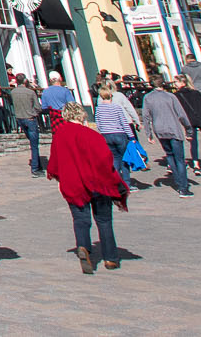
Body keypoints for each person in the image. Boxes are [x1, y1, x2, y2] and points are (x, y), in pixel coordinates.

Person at [48, 101, 129, 273]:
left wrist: (60, 178)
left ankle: (84, 247)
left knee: (81, 220)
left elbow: (54, 161)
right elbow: (105, 160)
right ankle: (110, 258)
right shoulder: (91, 135)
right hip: (97, 183)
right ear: (82, 115)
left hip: (73, 184)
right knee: (104, 221)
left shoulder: (60, 135)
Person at [139, 78, 193, 197]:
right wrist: (189, 129)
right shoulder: (170, 96)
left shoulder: (148, 98)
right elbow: (182, 114)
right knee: (179, 158)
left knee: (170, 155)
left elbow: (146, 116)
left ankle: (179, 182)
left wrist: (149, 133)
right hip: (173, 129)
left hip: (160, 130)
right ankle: (183, 187)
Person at [93, 84, 138, 185]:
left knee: (114, 159)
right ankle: (127, 183)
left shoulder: (99, 109)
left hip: (106, 135)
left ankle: (116, 182)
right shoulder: (116, 107)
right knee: (124, 159)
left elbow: (98, 124)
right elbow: (124, 122)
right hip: (119, 134)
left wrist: (104, 131)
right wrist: (131, 136)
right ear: (111, 95)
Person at [8, 74, 43, 176]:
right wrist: (35, 112)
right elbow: (38, 107)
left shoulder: (13, 92)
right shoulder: (30, 92)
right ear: (25, 81)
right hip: (30, 118)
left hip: (20, 119)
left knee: (32, 142)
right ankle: (35, 168)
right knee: (34, 144)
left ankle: (37, 164)